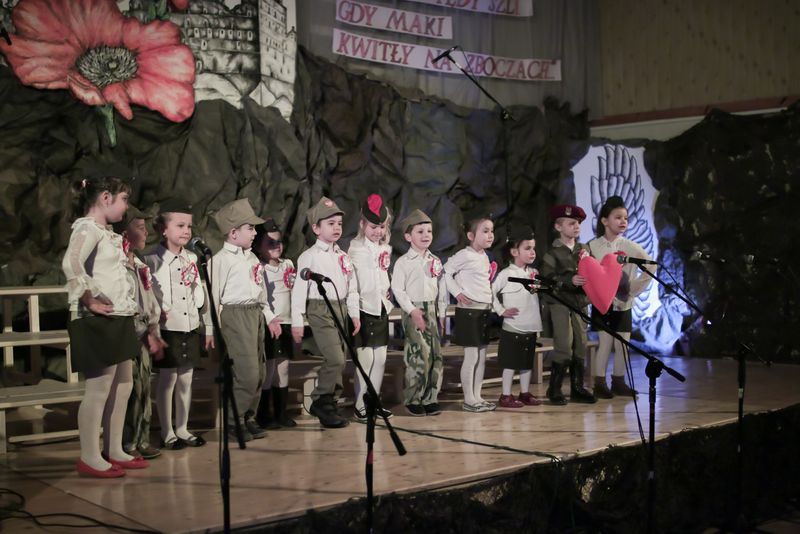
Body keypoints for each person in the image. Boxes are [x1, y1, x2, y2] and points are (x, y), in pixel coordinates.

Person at [63, 172, 148, 477]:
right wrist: (90, 296)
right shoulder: (87, 228)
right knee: (98, 389)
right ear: (105, 198)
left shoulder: (107, 233)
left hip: (118, 317)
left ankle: (114, 448)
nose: (126, 206)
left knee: (123, 385)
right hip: (97, 320)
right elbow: (71, 262)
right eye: (123, 199)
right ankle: (89, 455)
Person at [144, 201, 214, 449]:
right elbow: (149, 295)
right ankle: (167, 431)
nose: (186, 231)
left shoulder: (192, 258)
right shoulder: (152, 260)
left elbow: (199, 293)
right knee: (168, 379)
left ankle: (183, 428)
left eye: (189, 226)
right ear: (164, 229)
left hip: (189, 324)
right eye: (180, 225)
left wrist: (206, 326)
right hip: (167, 328)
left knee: (186, 378)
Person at [291, 197, 360, 428]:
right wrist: (297, 320)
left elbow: (351, 287)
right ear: (316, 228)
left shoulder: (342, 255)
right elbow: (299, 290)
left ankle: (330, 403)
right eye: (330, 224)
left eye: (339, 223)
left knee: (341, 359)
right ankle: (320, 399)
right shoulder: (309, 256)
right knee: (335, 358)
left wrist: (353, 314)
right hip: (320, 308)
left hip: (340, 308)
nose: (337, 228)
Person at [209, 198, 270, 441]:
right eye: (250, 228)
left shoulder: (251, 258)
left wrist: (269, 316)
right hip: (235, 316)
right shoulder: (220, 260)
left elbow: (260, 291)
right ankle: (234, 420)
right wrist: (210, 329)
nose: (255, 233)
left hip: (255, 314)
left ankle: (248, 416)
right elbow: (213, 297)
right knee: (247, 373)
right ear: (233, 232)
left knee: (260, 371)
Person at [587, 195, 655, 398]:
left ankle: (619, 381)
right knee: (605, 344)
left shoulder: (631, 246)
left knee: (623, 345)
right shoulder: (593, 246)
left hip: (623, 304)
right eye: (618, 217)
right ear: (604, 220)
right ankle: (599, 383)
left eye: (625, 218)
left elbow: (651, 265)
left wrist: (633, 288)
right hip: (603, 304)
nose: (623, 221)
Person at [113, 205, 167, 459]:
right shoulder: (117, 264)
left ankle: (141, 438)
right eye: (140, 227)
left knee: (144, 388)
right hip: (128, 333)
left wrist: (154, 330)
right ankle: (126, 442)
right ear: (125, 233)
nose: (146, 233)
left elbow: (149, 300)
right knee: (129, 389)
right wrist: (144, 330)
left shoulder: (139, 264)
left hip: (144, 334)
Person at [390, 209, 447, 416]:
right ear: (408, 236)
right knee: (419, 354)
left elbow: (441, 288)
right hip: (414, 309)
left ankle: (430, 397)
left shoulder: (435, 260)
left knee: (435, 354)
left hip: (431, 309)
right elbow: (398, 290)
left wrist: (441, 314)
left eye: (429, 231)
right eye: (420, 231)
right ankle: (413, 398)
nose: (426, 235)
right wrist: (412, 310)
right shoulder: (404, 262)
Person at [540, 204, 597, 405]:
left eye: (578, 223)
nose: (576, 226)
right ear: (558, 227)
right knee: (564, 345)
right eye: (571, 223)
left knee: (580, 344)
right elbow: (546, 278)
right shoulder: (553, 253)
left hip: (580, 303)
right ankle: (554, 389)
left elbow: (594, 271)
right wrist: (567, 281)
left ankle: (577, 388)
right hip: (561, 303)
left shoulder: (584, 250)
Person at [348, 194, 394, 421]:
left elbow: (382, 275)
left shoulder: (385, 248)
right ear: (362, 224)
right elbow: (353, 282)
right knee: (365, 360)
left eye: (382, 227)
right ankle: (360, 404)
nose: (378, 231)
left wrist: (386, 291)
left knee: (381, 359)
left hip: (381, 308)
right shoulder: (355, 249)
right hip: (364, 309)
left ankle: (374, 401)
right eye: (373, 227)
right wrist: (354, 312)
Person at [444, 216, 497, 412]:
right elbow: (445, 272)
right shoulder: (464, 255)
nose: (490, 235)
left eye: (491, 231)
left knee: (482, 357)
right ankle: (468, 399)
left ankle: (477, 396)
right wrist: (457, 292)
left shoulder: (484, 256)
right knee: (472, 356)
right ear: (471, 235)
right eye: (485, 231)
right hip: (469, 311)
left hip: (483, 310)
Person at [491, 225, 544, 408]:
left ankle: (525, 392)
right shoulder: (506, 274)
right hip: (513, 327)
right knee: (510, 363)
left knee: (526, 363)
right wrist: (500, 310)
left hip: (530, 326)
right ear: (514, 252)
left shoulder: (533, 273)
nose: (532, 252)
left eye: (533, 248)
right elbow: (490, 292)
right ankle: (505, 395)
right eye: (527, 248)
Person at [253, 218, 297, 429]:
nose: (276, 246)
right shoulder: (259, 268)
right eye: (270, 243)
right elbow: (261, 298)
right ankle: (263, 414)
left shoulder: (287, 265)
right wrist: (270, 318)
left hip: (286, 322)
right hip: (270, 323)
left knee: (283, 368)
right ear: (258, 246)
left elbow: (293, 290)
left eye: (278, 241)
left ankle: (281, 413)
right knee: (269, 369)